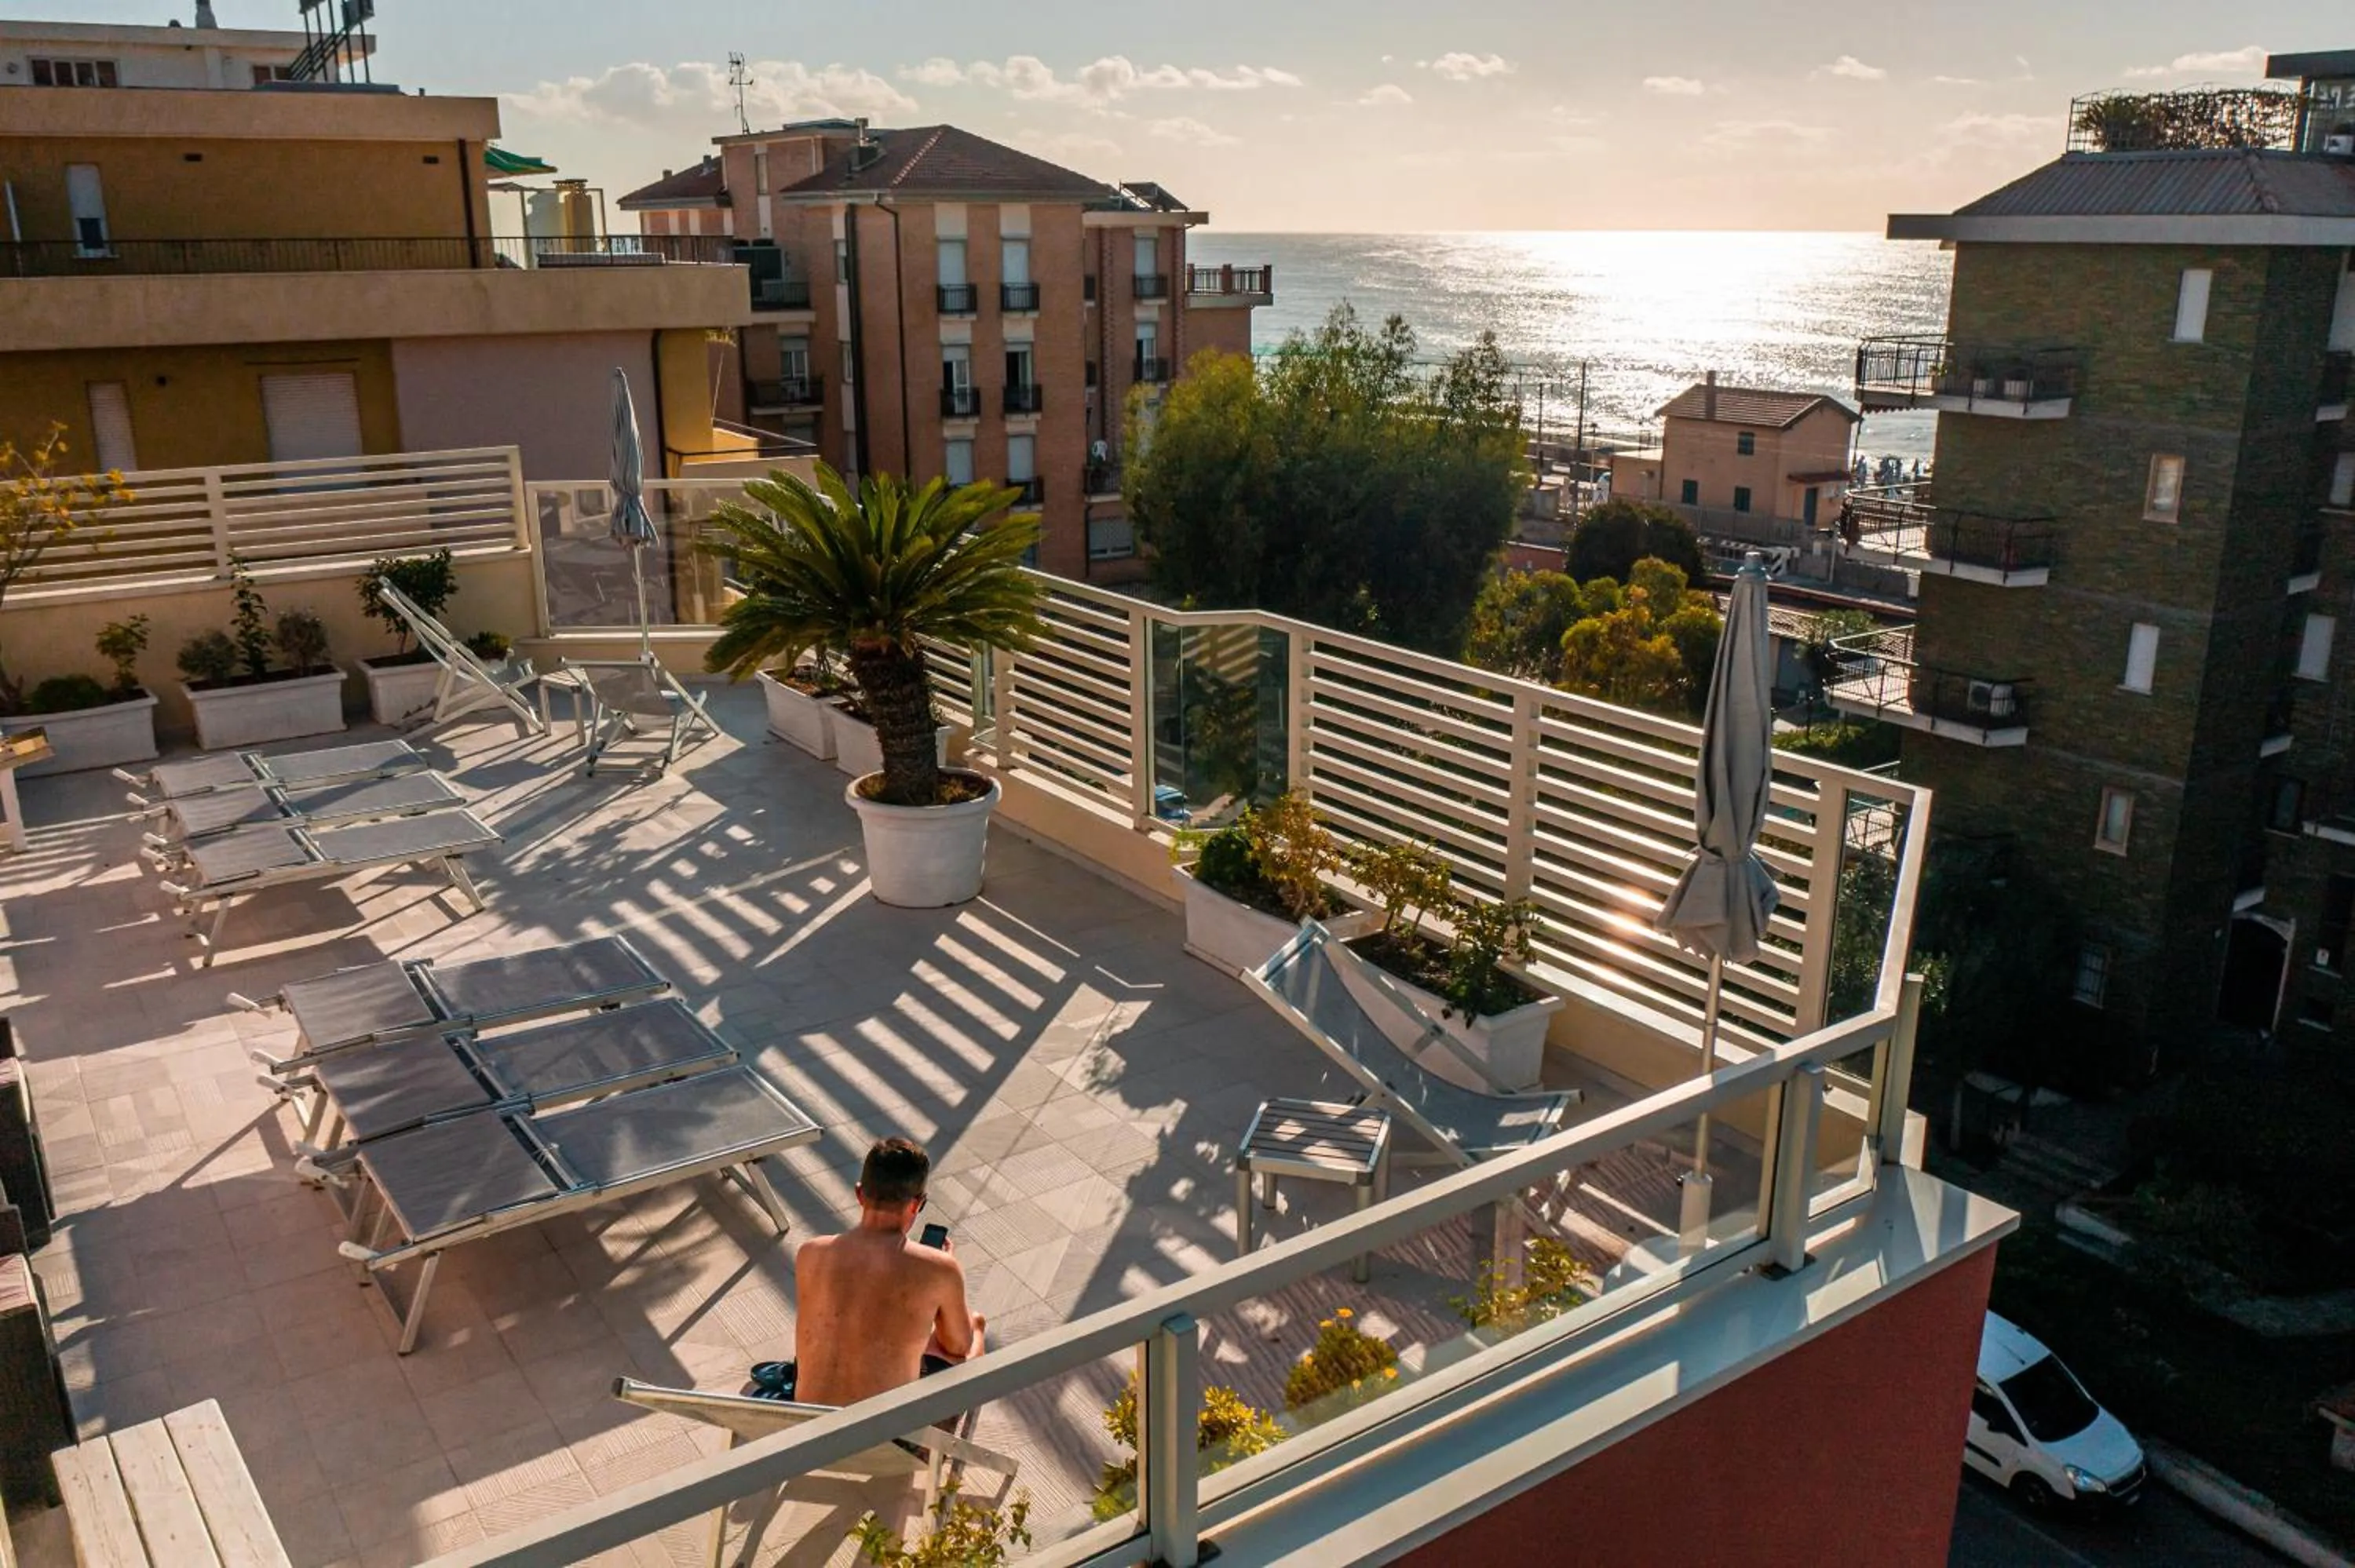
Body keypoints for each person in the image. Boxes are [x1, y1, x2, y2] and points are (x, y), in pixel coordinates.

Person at [791, 1138, 984, 1407]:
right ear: (917, 1204)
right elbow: (957, 1347)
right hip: (882, 1438)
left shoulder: (809, 1253)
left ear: (860, 1194)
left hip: (806, 1424)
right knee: (975, 1327)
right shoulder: (939, 1268)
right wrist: (943, 1267)